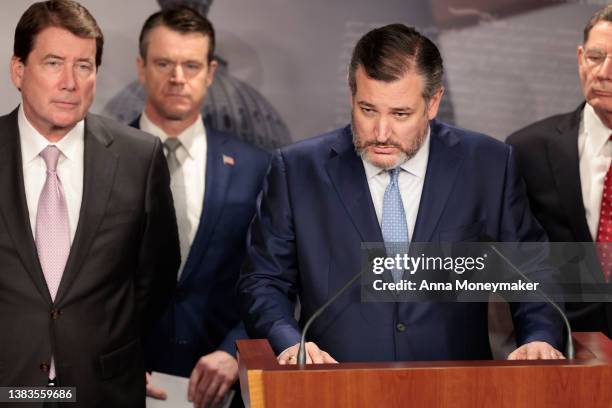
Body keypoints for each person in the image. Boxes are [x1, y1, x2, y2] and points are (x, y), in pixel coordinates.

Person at [239, 23, 565, 364]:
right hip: (336, 388)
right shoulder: (297, 171)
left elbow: (533, 269)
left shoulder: (488, 164)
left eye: (400, 114)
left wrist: (539, 336)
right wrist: (290, 342)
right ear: (351, 96)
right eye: (367, 110)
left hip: (455, 387)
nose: (381, 132)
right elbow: (263, 280)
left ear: (433, 102)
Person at [0, 1, 180, 406]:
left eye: (84, 66)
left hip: (103, 389)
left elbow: (156, 277)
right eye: (52, 63)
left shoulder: (140, 158)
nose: (70, 82)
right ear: (18, 70)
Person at [131, 7, 270, 407]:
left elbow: (273, 279)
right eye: (164, 63)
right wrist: (110, 360)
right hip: (123, 383)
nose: (178, 78)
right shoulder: (99, 158)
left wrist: (236, 350)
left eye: (191, 65)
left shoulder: (256, 168)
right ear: (142, 67)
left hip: (222, 389)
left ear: (210, 72)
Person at [507, 6, 612, 339]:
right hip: (567, 352)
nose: (604, 72)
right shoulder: (527, 150)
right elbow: (513, 263)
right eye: (595, 57)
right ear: (580, 57)